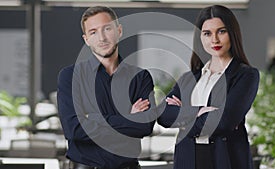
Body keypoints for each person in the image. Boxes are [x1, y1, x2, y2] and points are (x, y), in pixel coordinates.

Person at [157, 5, 260, 169]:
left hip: (225, 159)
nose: (215, 40)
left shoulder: (245, 75)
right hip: (188, 158)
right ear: (200, 37)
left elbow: (223, 122)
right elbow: (163, 115)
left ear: (232, 34)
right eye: (207, 33)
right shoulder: (190, 78)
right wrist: (197, 111)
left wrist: (184, 122)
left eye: (221, 31)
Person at [57, 6, 155, 169]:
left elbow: (144, 126)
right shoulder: (70, 76)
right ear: (86, 39)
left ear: (119, 31)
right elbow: (73, 130)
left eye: (107, 29)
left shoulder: (140, 77)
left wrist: (93, 118)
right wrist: (127, 118)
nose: (101, 38)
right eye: (93, 32)